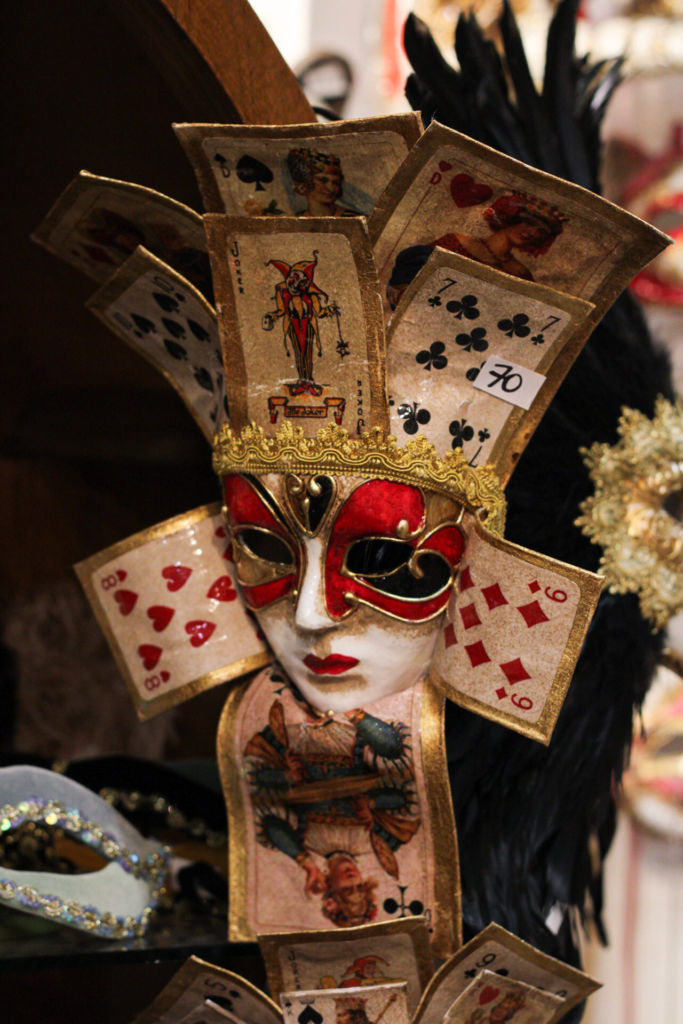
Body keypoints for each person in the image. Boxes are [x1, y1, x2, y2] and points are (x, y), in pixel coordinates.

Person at [244, 697, 421, 927]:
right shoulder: (374, 844)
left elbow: (269, 822)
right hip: (348, 722)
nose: (352, 879)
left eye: (347, 889)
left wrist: (289, 777)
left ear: (331, 887)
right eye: (359, 886)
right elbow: (405, 795)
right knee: (395, 750)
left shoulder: (309, 844)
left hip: (302, 738)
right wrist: (372, 802)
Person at [266, 253, 339, 381]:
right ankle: (301, 379)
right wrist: (273, 315)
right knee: (298, 352)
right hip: (292, 325)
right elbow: (281, 310)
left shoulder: (311, 296)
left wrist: (329, 310)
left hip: (308, 324)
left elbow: (319, 312)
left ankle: (308, 380)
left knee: (308, 352)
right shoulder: (283, 294)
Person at [287, 148, 361, 217]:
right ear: (305, 183)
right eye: (323, 180)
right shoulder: (294, 220)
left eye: (336, 182)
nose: (331, 189)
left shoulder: (353, 218)